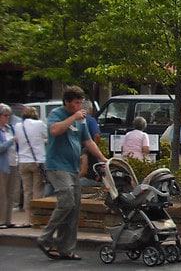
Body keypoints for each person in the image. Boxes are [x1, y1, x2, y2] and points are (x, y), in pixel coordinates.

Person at [38, 86, 109, 260]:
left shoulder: (81, 119)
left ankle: (66, 249)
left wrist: (103, 158)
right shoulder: (57, 113)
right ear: (68, 102)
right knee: (67, 201)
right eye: (76, 103)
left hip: (73, 167)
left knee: (74, 208)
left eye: (81, 103)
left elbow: (87, 140)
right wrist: (73, 118)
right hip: (56, 166)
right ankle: (45, 237)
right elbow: (54, 131)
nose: (79, 106)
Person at [14, 106, 47, 217]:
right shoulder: (39, 124)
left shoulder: (18, 126)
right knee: (38, 189)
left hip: (22, 161)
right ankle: (37, 215)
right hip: (37, 160)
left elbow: (17, 140)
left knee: (27, 190)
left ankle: (28, 216)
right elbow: (47, 136)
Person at [0, 104, 24, 229]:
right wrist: (11, 141)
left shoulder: (10, 128)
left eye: (9, 115)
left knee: (11, 193)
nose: (7, 118)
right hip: (2, 165)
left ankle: (8, 220)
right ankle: (1, 220)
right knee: (2, 194)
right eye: (5, 115)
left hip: (13, 163)